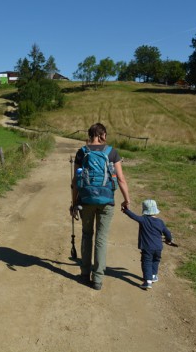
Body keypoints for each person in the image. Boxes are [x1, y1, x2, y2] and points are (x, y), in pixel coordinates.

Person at [71, 122, 131, 290]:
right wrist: (127, 200)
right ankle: (97, 279)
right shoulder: (112, 152)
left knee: (86, 235)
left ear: (90, 135)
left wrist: (74, 202)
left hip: (86, 200)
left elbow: (76, 182)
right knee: (101, 239)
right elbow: (121, 179)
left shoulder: (82, 152)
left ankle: (84, 273)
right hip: (106, 201)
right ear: (102, 134)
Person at [122, 199, 174, 290]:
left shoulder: (143, 220)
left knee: (146, 262)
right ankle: (153, 276)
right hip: (158, 247)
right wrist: (168, 240)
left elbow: (133, 216)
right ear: (156, 210)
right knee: (156, 261)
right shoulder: (160, 222)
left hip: (147, 247)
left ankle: (148, 281)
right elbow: (168, 233)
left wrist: (126, 210)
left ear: (144, 210)